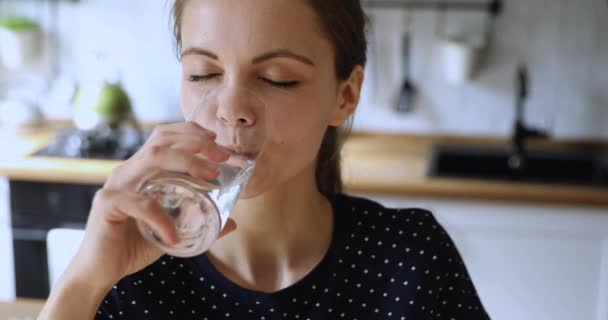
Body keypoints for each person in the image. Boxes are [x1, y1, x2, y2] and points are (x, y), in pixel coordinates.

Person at [38, 0, 491, 319]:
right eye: (205, 73)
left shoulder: (409, 259)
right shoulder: (132, 271)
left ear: (345, 94)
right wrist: (82, 283)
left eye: (277, 79)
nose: (230, 106)